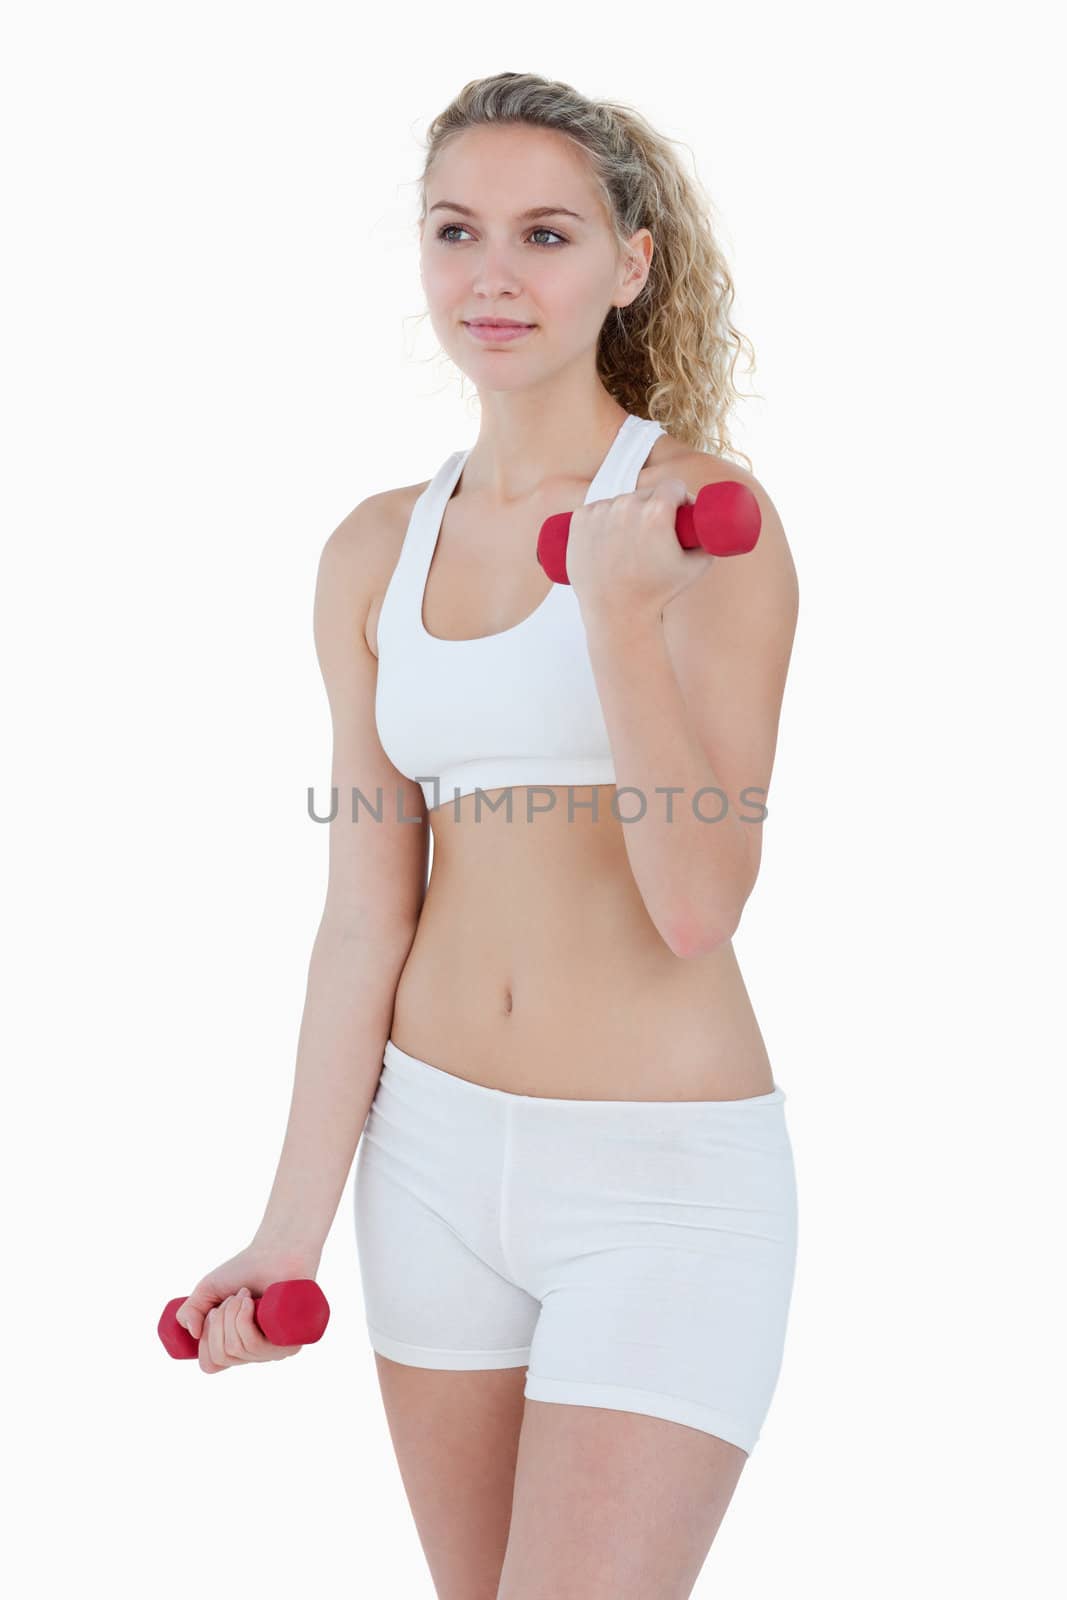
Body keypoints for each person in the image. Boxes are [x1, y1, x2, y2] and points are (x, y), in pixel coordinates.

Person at [176, 71, 801, 1600]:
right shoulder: (374, 548)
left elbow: (699, 900)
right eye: (458, 231)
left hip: (658, 1180)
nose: (495, 276)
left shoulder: (704, 518)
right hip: (434, 1162)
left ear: (630, 265)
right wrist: (286, 1232)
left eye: (546, 233)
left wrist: (620, 619)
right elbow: (360, 919)